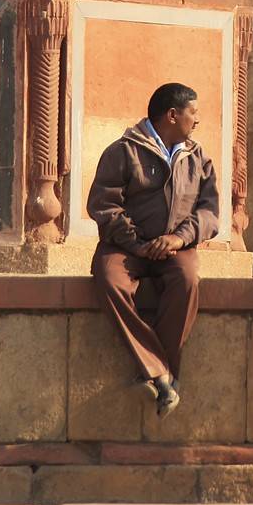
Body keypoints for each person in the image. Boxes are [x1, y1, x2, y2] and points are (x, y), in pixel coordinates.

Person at [86, 82, 219, 418]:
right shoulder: (122, 151)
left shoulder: (198, 157)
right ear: (173, 115)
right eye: (193, 113)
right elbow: (104, 205)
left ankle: (156, 374)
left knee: (187, 280)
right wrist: (137, 243)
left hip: (175, 246)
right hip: (126, 246)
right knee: (110, 280)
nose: (196, 120)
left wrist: (178, 238)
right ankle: (162, 373)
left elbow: (209, 212)